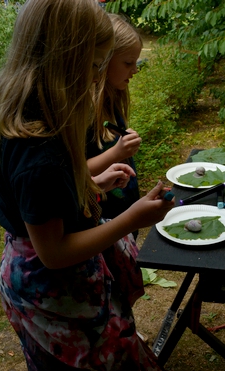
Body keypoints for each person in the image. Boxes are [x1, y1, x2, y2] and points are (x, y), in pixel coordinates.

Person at [0, 0, 174, 371]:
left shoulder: (21, 107)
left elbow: (36, 201)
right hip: (52, 285)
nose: (96, 77)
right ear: (65, 60)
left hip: (26, 280)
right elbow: (53, 251)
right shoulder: (41, 147)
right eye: (93, 66)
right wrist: (131, 219)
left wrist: (91, 182)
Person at [87, 14, 143, 235]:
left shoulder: (113, 99)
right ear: (102, 62)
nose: (135, 70)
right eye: (128, 63)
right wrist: (116, 153)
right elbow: (73, 172)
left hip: (122, 215)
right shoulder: (85, 113)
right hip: (99, 222)